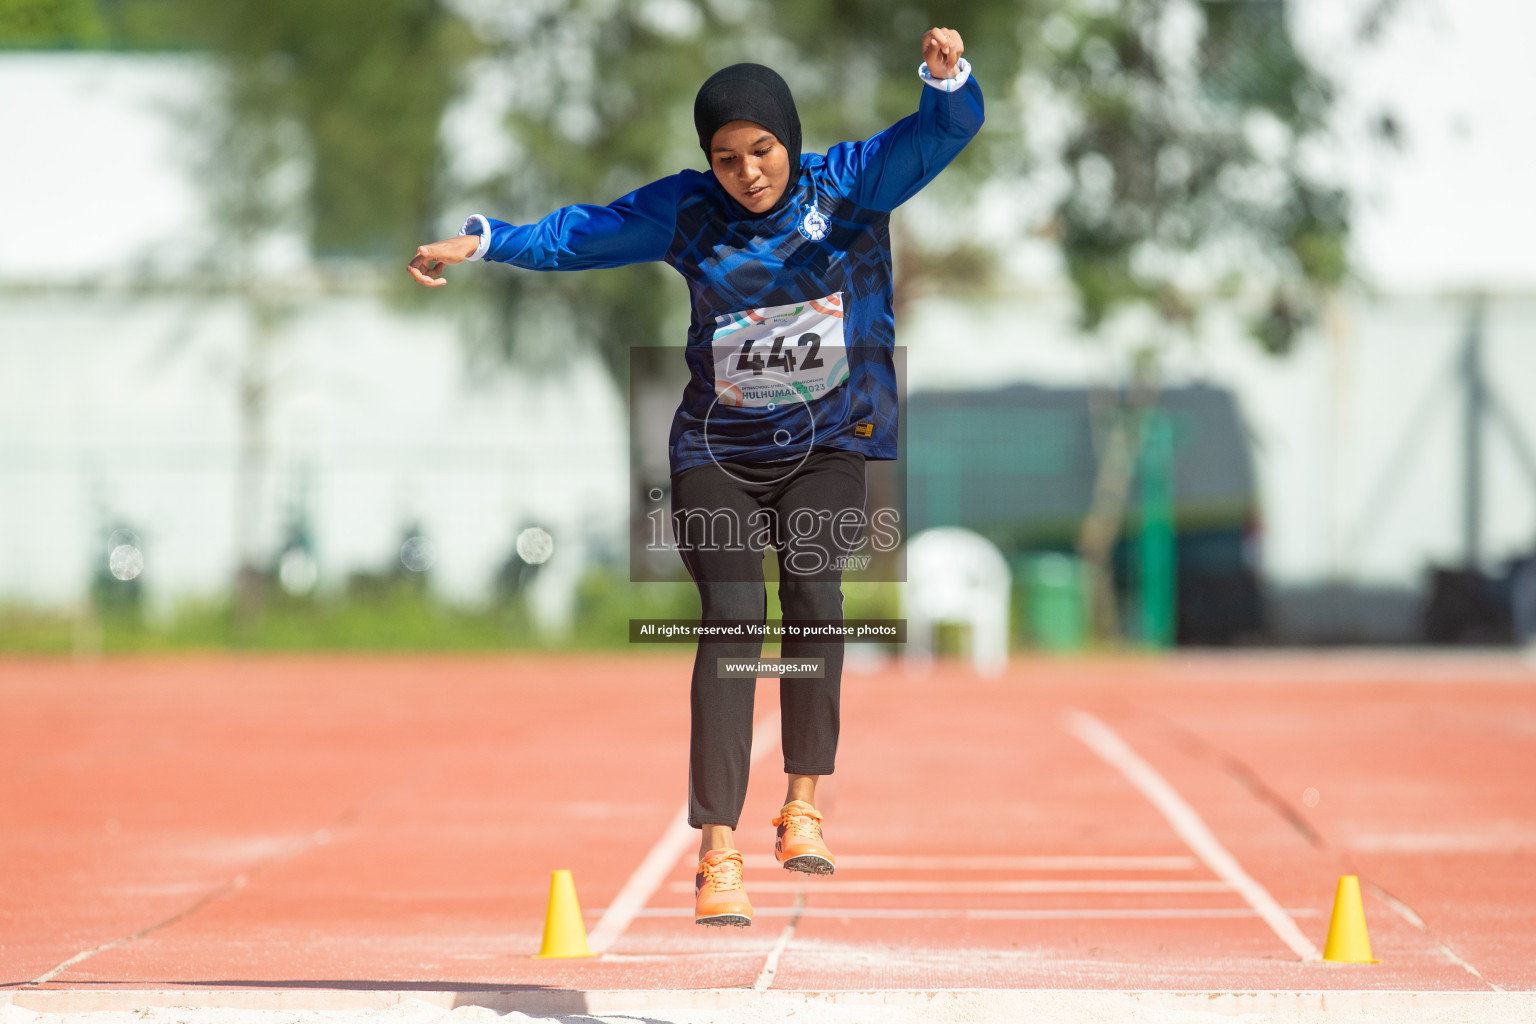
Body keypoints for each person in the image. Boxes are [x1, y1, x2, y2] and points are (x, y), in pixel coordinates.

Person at [408, 27, 983, 927]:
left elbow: (937, 137)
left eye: (762, 151)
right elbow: (579, 236)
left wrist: (946, 84)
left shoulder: (852, 185)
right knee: (735, 619)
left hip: (830, 442)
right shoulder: (688, 211)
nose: (747, 172)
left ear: (789, 143)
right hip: (716, 449)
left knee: (815, 595)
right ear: (707, 161)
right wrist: (483, 244)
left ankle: (802, 806)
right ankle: (718, 852)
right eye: (726, 158)